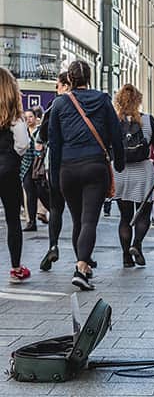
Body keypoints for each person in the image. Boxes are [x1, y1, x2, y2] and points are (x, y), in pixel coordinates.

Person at [48, 60, 124, 290]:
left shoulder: (59, 104)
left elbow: (54, 142)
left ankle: (83, 265)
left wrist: (54, 177)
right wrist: (119, 162)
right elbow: (116, 134)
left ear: (69, 79)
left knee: (77, 220)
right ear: (89, 78)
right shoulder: (102, 100)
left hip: (68, 168)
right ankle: (81, 266)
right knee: (90, 220)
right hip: (94, 166)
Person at [112, 84, 154, 267]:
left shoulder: (113, 122)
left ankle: (126, 258)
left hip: (120, 172)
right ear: (139, 100)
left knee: (125, 217)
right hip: (143, 172)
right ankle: (137, 244)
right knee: (143, 215)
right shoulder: (149, 121)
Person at [0, 67, 31, 283]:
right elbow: (23, 144)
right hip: (8, 173)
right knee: (13, 220)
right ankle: (15, 268)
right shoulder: (15, 118)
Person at [38, 72, 70, 271]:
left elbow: (42, 134)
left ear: (66, 85)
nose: (56, 89)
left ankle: (53, 245)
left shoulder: (55, 105)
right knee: (81, 213)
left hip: (56, 163)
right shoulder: (87, 103)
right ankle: (83, 259)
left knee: (56, 208)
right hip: (80, 159)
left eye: (57, 85)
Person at [20, 108, 49, 231]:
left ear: (35, 117)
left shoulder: (39, 131)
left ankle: (54, 211)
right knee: (30, 195)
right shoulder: (23, 132)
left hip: (38, 167)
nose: (28, 120)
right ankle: (31, 222)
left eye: (30, 117)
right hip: (26, 167)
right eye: (25, 117)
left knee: (42, 193)